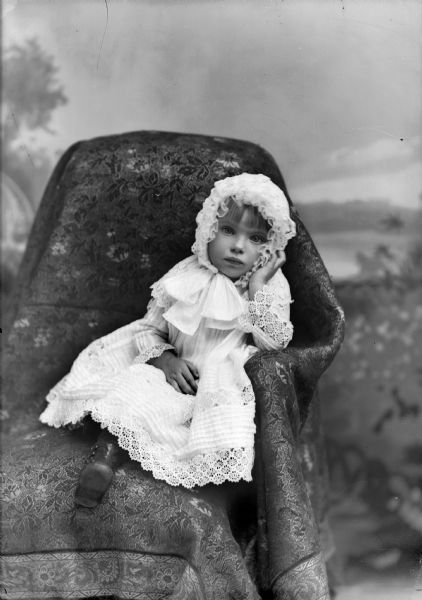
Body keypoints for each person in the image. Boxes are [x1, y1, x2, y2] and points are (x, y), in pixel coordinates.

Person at [39, 173, 296, 508]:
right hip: (169, 374)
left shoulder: (267, 288)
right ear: (208, 230)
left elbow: (274, 344)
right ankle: (103, 461)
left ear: (270, 249)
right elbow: (149, 329)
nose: (238, 246)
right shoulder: (187, 274)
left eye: (256, 238)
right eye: (228, 230)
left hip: (217, 384)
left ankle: (207, 486)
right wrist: (165, 360)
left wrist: (259, 286)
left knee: (213, 429)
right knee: (135, 386)